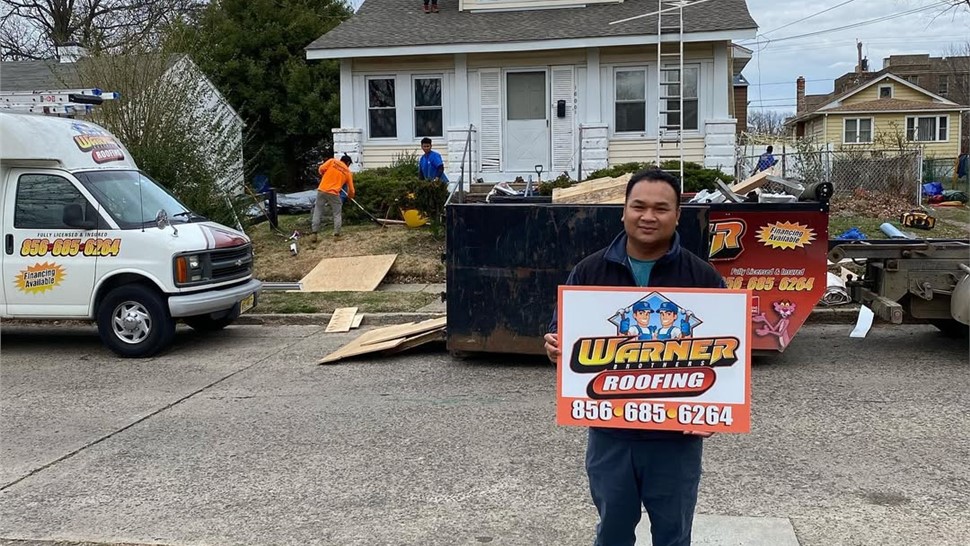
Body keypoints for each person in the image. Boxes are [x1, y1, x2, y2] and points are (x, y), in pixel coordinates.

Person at [544, 169, 726, 546]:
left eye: (661, 208)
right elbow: (563, 338)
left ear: (678, 215)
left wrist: (715, 410)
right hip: (611, 435)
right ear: (623, 211)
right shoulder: (589, 272)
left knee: (674, 535)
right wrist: (555, 349)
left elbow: (724, 358)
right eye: (638, 206)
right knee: (611, 532)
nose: (648, 216)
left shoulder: (703, 278)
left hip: (677, 438)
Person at [312, 154, 354, 240]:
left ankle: (314, 233)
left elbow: (321, 169)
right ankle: (336, 235)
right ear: (348, 163)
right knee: (337, 214)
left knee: (318, 211)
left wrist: (323, 173)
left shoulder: (332, 161)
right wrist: (350, 196)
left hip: (322, 190)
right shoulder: (347, 172)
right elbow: (351, 190)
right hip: (334, 194)